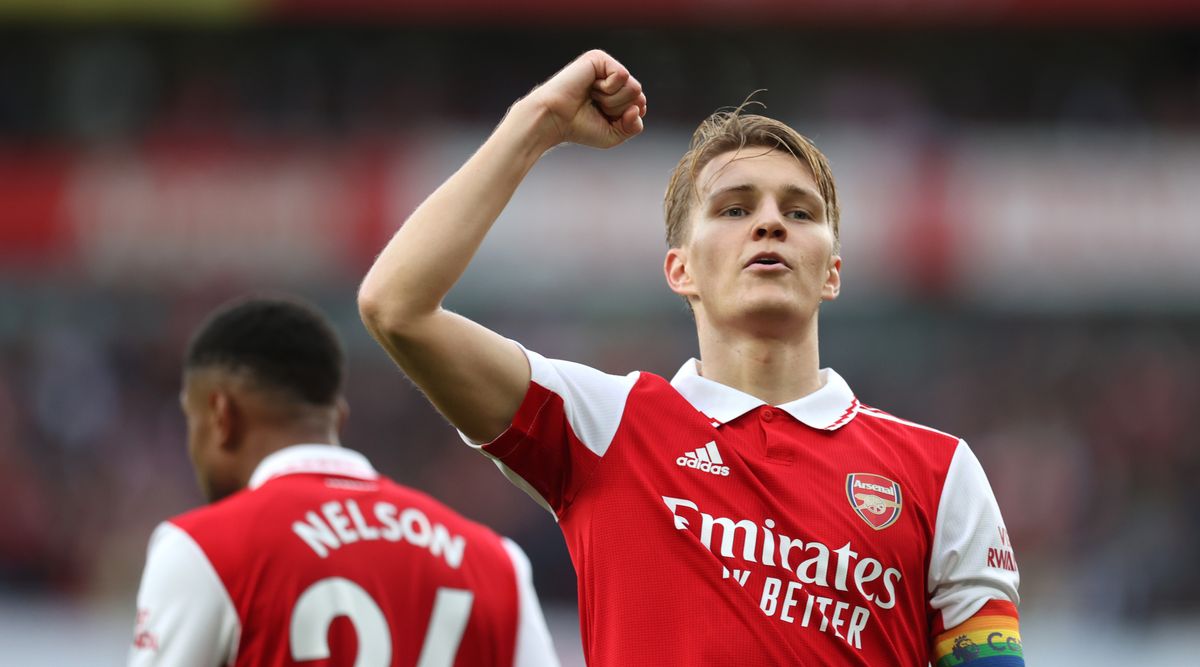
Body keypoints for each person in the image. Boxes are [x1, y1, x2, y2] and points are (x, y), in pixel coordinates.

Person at [358, 49, 1023, 665]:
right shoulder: (604, 424)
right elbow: (397, 307)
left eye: (799, 210)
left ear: (832, 272)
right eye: (734, 209)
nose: (769, 223)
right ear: (679, 270)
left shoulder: (940, 474)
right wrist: (538, 123)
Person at [129, 296, 559, 667]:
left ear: (221, 415)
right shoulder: (496, 564)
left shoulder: (203, 549)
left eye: (192, 420)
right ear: (338, 416)